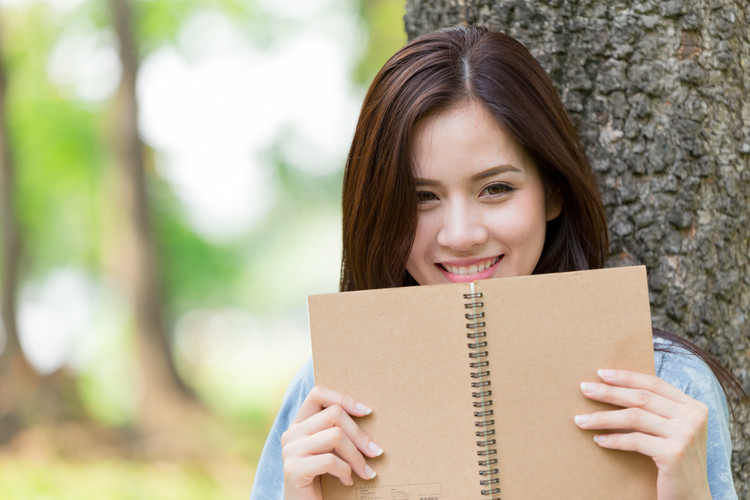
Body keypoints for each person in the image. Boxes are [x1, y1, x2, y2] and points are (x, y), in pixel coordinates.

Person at [250, 26, 744, 500]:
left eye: (496, 189)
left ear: (553, 192)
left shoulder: (669, 389)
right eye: (421, 196)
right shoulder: (329, 395)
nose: (461, 235)